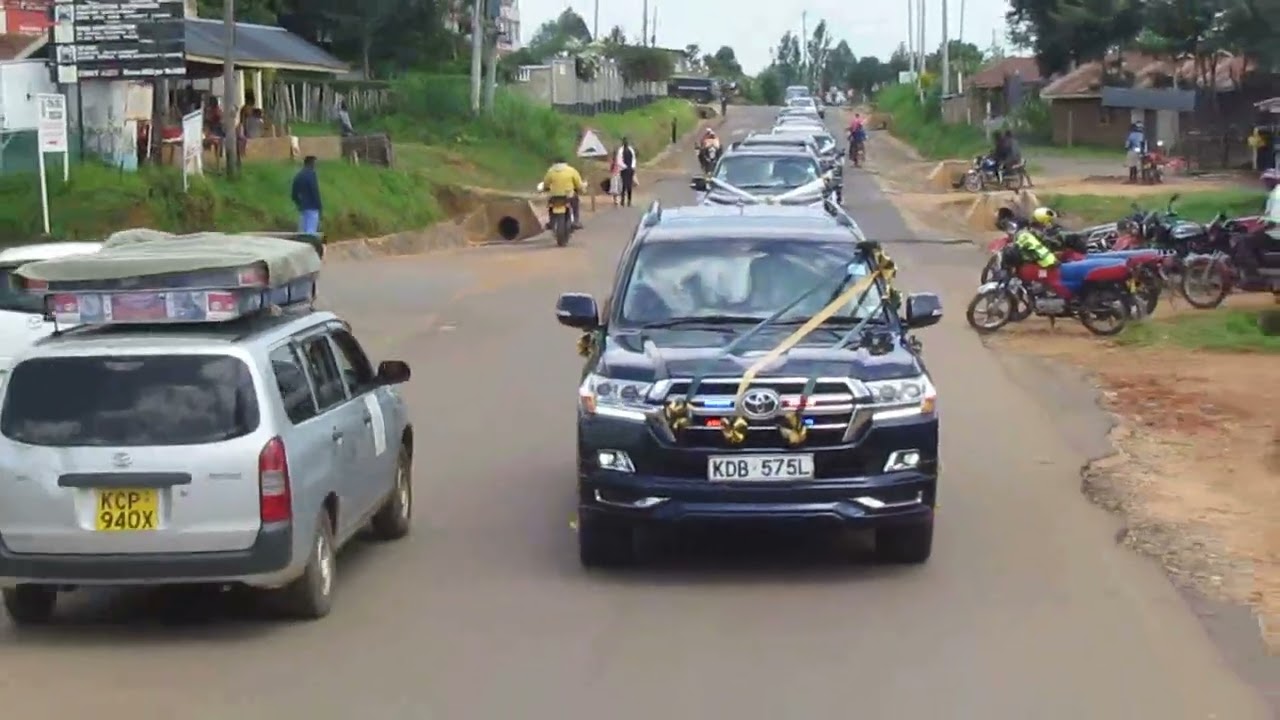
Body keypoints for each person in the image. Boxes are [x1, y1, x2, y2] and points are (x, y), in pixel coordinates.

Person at [1013, 207, 1072, 300]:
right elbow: (1040, 249)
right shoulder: (1031, 234)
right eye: (1049, 221)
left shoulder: (1035, 232)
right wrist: (1053, 261)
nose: (1051, 224)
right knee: (1052, 276)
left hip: (1039, 262)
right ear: (1043, 222)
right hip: (1036, 264)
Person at [540, 156, 586, 228]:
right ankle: (576, 221)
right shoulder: (571, 170)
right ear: (565, 163)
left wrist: (545, 188)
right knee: (575, 204)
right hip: (569, 195)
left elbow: (546, 184)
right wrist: (582, 189)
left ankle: (551, 222)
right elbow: (578, 184)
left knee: (551, 206)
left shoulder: (551, 171)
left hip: (555, 195)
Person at [291, 156, 322, 235]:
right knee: (311, 231)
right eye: (315, 164)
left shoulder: (298, 175)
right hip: (312, 207)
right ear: (311, 163)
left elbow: (294, 193)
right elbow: (314, 190)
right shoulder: (311, 175)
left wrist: (298, 203)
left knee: (302, 230)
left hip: (302, 207)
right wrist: (319, 206)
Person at [616, 137, 638, 207]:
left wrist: (632, 167)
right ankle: (623, 200)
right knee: (624, 185)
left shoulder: (630, 150)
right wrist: (625, 167)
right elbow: (619, 161)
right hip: (624, 170)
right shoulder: (621, 150)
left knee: (629, 185)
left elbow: (634, 159)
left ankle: (629, 200)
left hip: (629, 169)